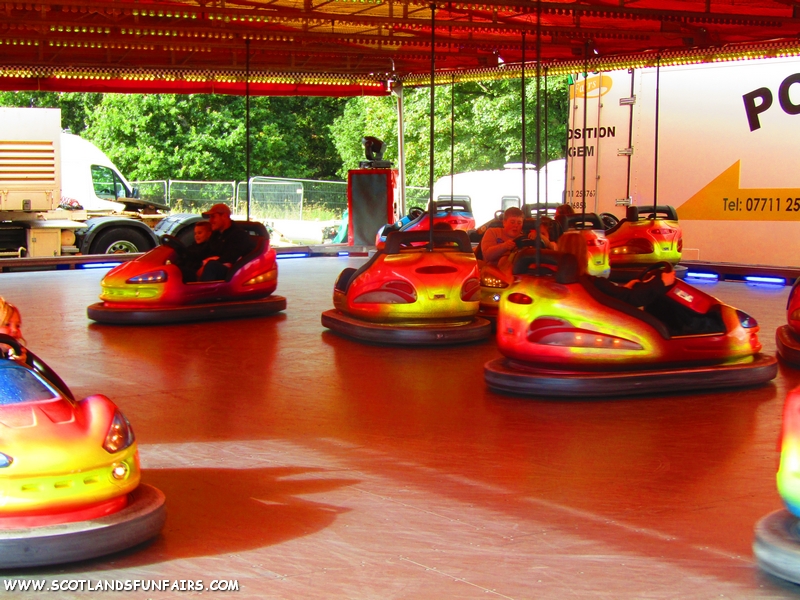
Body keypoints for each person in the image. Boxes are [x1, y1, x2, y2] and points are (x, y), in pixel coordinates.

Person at [557, 231, 674, 307]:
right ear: (584, 254)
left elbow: (617, 295)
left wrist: (625, 288)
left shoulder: (559, 281)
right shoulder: (592, 283)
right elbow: (631, 299)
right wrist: (661, 283)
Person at [198, 203, 257, 282]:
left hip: (232, 273)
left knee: (211, 266)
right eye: (210, 217)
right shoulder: (216, 234)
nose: (210, 221)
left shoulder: (238, 235)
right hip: (215, 266)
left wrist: (207, 263)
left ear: (224, 216)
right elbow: (205, 251)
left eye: (213, 217)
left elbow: (230, 257)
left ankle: (204, 293)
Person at [0, 297, 26, 362]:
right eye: (7, 325)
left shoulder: (25, 356)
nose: (14, 330)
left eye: (17, 326)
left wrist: (22, 364)